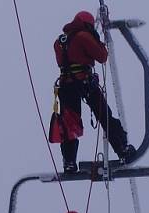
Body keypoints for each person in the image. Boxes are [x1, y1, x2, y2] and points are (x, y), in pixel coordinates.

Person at [52, 10, 135, 174]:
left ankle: (69, 162)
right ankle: (123, 150)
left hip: (66, 85)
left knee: (70, 124)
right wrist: (97, 40)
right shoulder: (84, 36)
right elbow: (102, 56)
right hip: (84, 82)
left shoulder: (59, 41)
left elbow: (63, 61)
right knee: (104, 115)